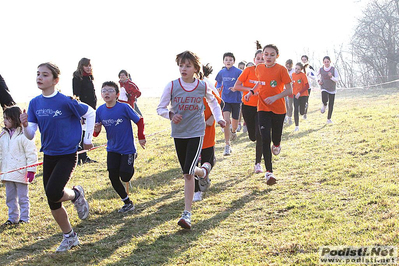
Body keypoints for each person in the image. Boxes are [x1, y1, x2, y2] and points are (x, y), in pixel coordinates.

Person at [20, 62, 94, 252]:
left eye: (45, 75)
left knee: (54, 191)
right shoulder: (35, 103)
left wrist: (87, 139)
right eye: (38, 74)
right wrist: (25, 124)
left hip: (67, 154)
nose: (39, 77)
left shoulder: (66, 101)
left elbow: (90, 112)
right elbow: (30, 135)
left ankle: (76, 194)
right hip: (49, 155)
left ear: (55, 80)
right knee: (52, 201)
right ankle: (70, 237)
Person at [157, 51, 226, 229]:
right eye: (181, 65)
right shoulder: (172, 86)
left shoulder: (203, 86)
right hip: (179, 133)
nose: (183, 69)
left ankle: (187, 214)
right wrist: (171, 114)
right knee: (188, 171)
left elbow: (214, 103)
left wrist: (218, 118)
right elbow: (161, 108)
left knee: (187, 173)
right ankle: (203, 172)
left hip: (196, 132)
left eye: (187, 66)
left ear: (196, 68)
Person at [94, 81, 146, 213]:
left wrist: (141, 137)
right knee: (113, 176)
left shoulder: (124, 107)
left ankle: (131, 161)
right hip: (112, 148)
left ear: (117, 94)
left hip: (127, 148)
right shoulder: (100, 110)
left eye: (110, 90)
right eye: (104, 90)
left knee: (125, 176)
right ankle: (127, 202)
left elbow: (139, 120)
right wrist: (96, 129)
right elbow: (96, 133)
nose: (106, 93)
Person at [246, 44, 292, 185]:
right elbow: (260, 83)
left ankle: (277, 144)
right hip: (263, 108)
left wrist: (275, 97)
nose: (268, 57)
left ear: (277, 56)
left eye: (272, 55)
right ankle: (269, 173)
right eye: (266, 54)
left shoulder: (281, 70)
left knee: (275, 138)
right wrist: (251, 92)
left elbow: (289, 90)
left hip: (278, 109)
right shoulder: (259, 68)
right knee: (265, 138)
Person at [0, 106, 37, 226]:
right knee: (10, 198)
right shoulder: (3, 136)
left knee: (22, 197)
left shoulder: (24, 135)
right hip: (7, 173)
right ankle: (12, 218)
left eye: (7, 118)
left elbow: (31, 153)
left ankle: (24, 218)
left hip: (21, 173)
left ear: (15, 119)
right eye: (4, 118)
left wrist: (31, 170)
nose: (4, 121)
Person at [193, 64, 224, 202]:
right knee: (192, 163)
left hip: (207, 131)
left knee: (207, 159)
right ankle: (196, 190)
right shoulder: (182, 89)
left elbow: (220, 103)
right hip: (191, 133)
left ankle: (205, 174)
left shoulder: (206, 86)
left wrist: (212, 118)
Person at [232, 46, 265, 174]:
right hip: (247, 106)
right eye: (258, 59)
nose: (261, 61)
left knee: (260, 135)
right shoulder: (248, 70)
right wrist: (251, 91)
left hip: (262, 107)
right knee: (252, 136)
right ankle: (253, 136)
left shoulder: (268, 72)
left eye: (263, 58)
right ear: (254, 60)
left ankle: (258, 163)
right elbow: (237, 86)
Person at [215, 52, 242, 156]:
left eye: (230, 60)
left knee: (234, 124)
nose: (228, 61)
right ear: (223, 61)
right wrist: (219, 86)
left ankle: (234, 131)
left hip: (236, 100)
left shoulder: (238, 72)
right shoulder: (221, 72)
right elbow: (219, 81)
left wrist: (236, 88)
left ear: (233, 61)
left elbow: (243, 82)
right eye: (226, 60)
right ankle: (227, 145)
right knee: (226, 121)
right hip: (225, 99)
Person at [72, 58, 97, 164]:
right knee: (81, 132)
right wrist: (80, 113)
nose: (88, 67)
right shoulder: (77, 78)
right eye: (86, 65)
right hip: (83, 110)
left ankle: (84, 156)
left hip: (91, 109)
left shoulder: (89, 77)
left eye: (90, 65)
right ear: (81, 66)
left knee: (86, 131)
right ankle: (81, 156)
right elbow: (76, 95)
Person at [317, 56, 339, 124]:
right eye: (325, 62)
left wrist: (331, 77)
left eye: (327, 62)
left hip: (332, 88)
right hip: (324, 87)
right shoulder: (321, 69)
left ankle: (329, 119)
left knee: (331, 104)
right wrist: (318, 81)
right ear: (323, 62)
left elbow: (337, 80)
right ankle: (324, 105)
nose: (326, 63)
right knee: (324, 98)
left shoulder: (333, 69)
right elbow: (316, 76)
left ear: (330, 62)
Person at [291, 62, 310, 131]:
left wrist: (300, 92)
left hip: (303, 95)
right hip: (295, 95)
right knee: (295, 109)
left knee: (301, 112)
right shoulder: (293, 75)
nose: (296, 70)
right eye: (296, 68)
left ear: (301, 70)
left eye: (298, 69)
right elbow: (293, 84)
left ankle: (304, 108)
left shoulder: (303, 75)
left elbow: (307, 85)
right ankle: (296, 126)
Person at [284, 59, 295, 125]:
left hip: (291, 90)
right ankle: (285, 118)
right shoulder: (284, 70)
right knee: (285, 105)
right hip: (284, 89)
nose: (288, 68)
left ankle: (290, 118)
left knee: (290, 105)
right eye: (287, 66)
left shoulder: (294, 71)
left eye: (289, 67)